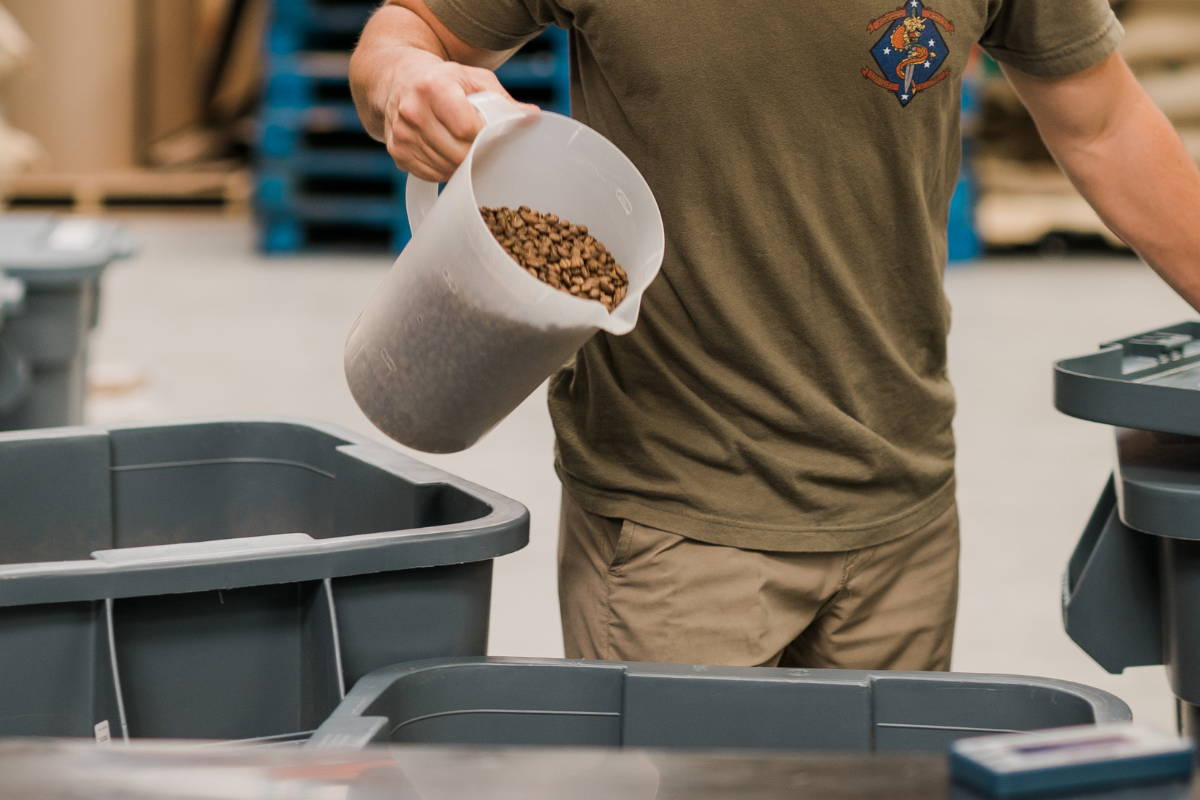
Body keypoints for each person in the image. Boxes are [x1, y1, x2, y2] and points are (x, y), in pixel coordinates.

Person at [350, 0, 1200, 670]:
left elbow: (1104, 124)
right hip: (676, 526)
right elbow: (404, 34)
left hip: (904, 508)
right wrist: (405, 81)